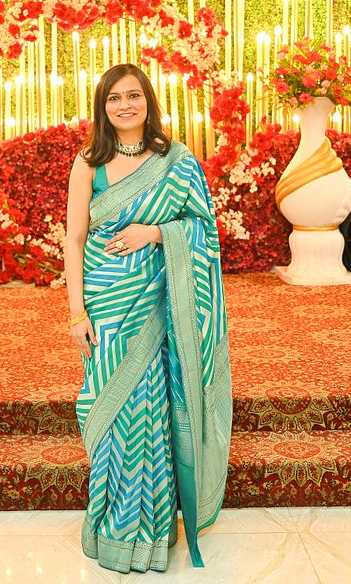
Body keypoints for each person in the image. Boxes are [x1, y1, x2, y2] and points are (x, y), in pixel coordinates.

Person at [65, 63, 232, 574]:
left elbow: (204, 229)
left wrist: (156, 233)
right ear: (103, 107)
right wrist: (76, 313)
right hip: (105, 304)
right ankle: (111, 526)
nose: (125, 105)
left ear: (148, 101)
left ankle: (149, 534)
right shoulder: (88, 163)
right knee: (109, 407)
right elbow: (73, 239)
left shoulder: (176, 161)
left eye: (133, 95)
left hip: (159, 301)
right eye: (114, 98)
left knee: (150, 411)